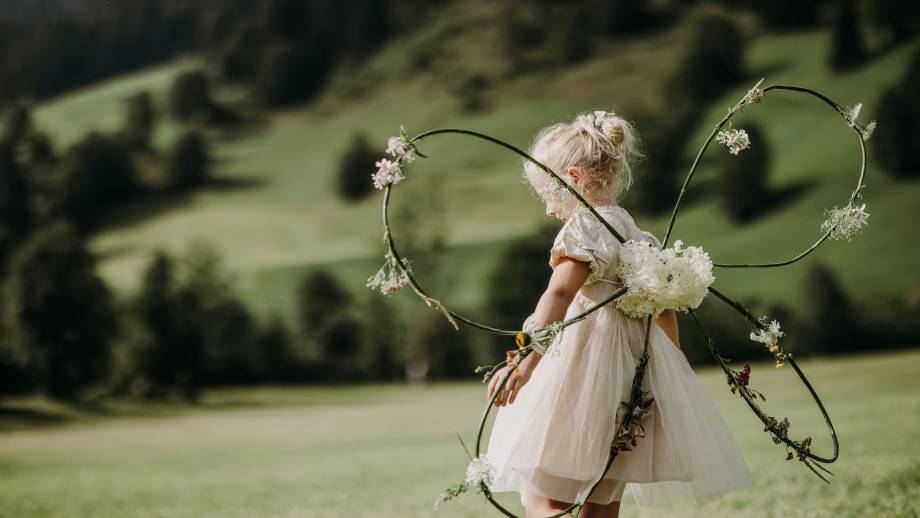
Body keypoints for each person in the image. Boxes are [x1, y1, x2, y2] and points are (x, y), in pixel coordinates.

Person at [484, 110, 755, 517]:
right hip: (629, 379)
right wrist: (671, 371)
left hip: (580, 376)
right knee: (603, 502)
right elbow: (662, 309)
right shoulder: (636, 234)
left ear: (573, 177)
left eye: (550, 195)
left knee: (543, 499)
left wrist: (524, 364)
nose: (549, 210)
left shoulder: (584, 229)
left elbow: (558, 295)